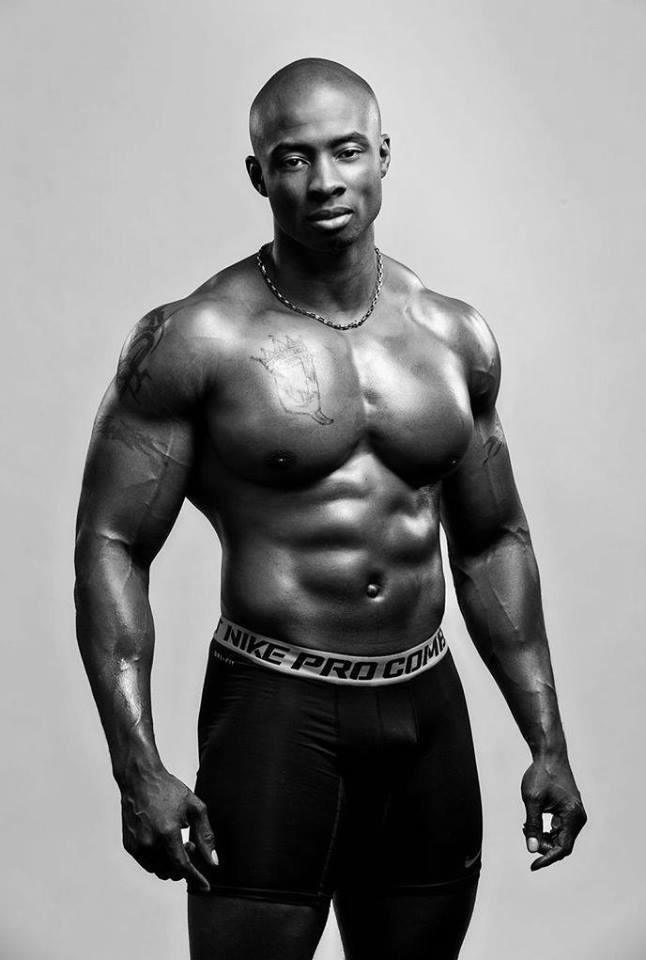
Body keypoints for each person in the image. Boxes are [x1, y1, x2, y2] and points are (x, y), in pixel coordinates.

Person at [74, 57, 587, 960]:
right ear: (258, 175)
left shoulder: (452, 335)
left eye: (346, 151)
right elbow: (112, 543)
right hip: (276, 708)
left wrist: (547, 739)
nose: (323, 181)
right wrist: (136, 764)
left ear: (383, 155)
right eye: (293, 158)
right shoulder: (196, 339)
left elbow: (492, 541)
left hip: (426, 707)